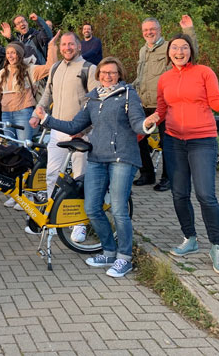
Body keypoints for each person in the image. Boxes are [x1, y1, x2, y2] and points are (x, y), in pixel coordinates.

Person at [35, 57, 157, 278]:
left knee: (119, 209)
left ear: (119, 74)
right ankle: (109, 250)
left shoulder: (128, 95)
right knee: (91, 207)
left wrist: (147, 125)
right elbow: (74, 125)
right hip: (97, 157)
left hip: (122, 158)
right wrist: (47, 119)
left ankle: (124, 258)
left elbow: (137, 123)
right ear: (98, 75)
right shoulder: (92, 98)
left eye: (112, 72)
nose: (107, 76)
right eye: (104, 73)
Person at [150, 34, 219, 275]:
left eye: (184, 47)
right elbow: (162, 110)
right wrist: (148, 122)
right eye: (174, 47)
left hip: (202, 141)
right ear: (168, 52)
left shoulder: (205, 72)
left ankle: (217, 247)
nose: (179, 51)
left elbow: (217, 104)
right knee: (179, 194)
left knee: (206, 195)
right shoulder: (164, 79)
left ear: (191, 51)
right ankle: (190, 238)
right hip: (174, 141)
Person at [30, 32, 98, 240]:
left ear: (79, 47)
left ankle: (79, 224)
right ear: (60, 48)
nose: (67, 47)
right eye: (64, 44)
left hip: (80, 132)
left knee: (79, 177)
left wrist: (84, 130)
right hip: (57, 129)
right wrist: (37, 113)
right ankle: (50, 218)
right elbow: (47, 94)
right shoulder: (56, 67)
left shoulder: (89, 69)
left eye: (71, 44)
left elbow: (94, 103)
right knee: (52, 174)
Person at [133, 15, 197, 191]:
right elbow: (140, 78)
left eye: (152, 29)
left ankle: (168, 178)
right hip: (143, 103)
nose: (149, 32)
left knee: (167, 143)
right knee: (137, 138)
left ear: (159, 30)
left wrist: (188, 30)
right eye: (145, 30)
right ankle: (147, 174)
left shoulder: (169, 47)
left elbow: (189, 51)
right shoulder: (142, 50)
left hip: (164, 105)